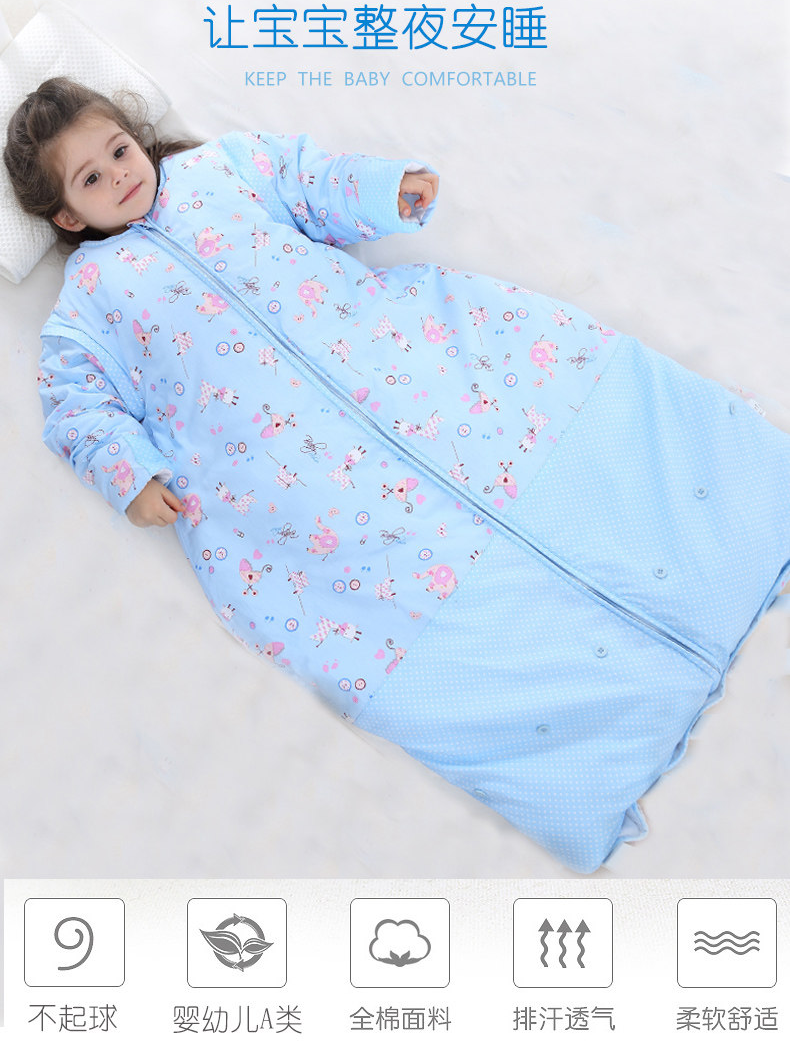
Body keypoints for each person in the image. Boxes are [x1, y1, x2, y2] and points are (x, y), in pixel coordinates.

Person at [5, 77, 789, 873]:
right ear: (67, 217)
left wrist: (383, 190)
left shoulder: (221, 170)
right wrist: (130, 475)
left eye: (120, 150)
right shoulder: (89, 306)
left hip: (410, 367)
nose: (120, 174)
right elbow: (77, 408)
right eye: (92, 178)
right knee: (404, 589)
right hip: (301, 493)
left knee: (527, 418)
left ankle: (751, 516)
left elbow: (308, 181)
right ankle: (590, 756)